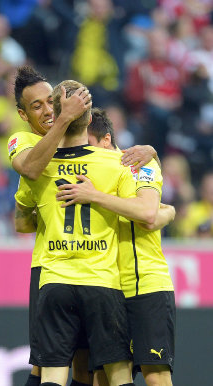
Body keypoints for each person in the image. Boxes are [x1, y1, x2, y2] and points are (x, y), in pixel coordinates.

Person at [22, 80, 149, 386]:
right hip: (101, 281)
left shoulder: (39, 165)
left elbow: (23, 215)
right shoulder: (116, 164)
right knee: (118, 374)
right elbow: (142, 212)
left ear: (55, 113)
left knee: (51, 373)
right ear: (91, 119)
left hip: (55, 280)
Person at [58, 108, 176, 386]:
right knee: (101, 377)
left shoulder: (142, 164)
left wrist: (95, 196)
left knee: (156, 376)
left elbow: (148, 215)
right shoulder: (84, 175)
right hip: (104, 288)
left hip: (145, 284)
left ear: (106, 140)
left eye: (88, 145)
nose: (82, 153)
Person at [7, 66, 93, 386]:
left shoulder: (78, 135)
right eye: (36, 106)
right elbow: (30, 170)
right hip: (50, 268)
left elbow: (23, 219)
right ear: (22, 114)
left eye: (50, 101)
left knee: (85, 362)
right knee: (46, 364)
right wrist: (62, 121)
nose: (46, 110)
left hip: (93, 264)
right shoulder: (24, 140)